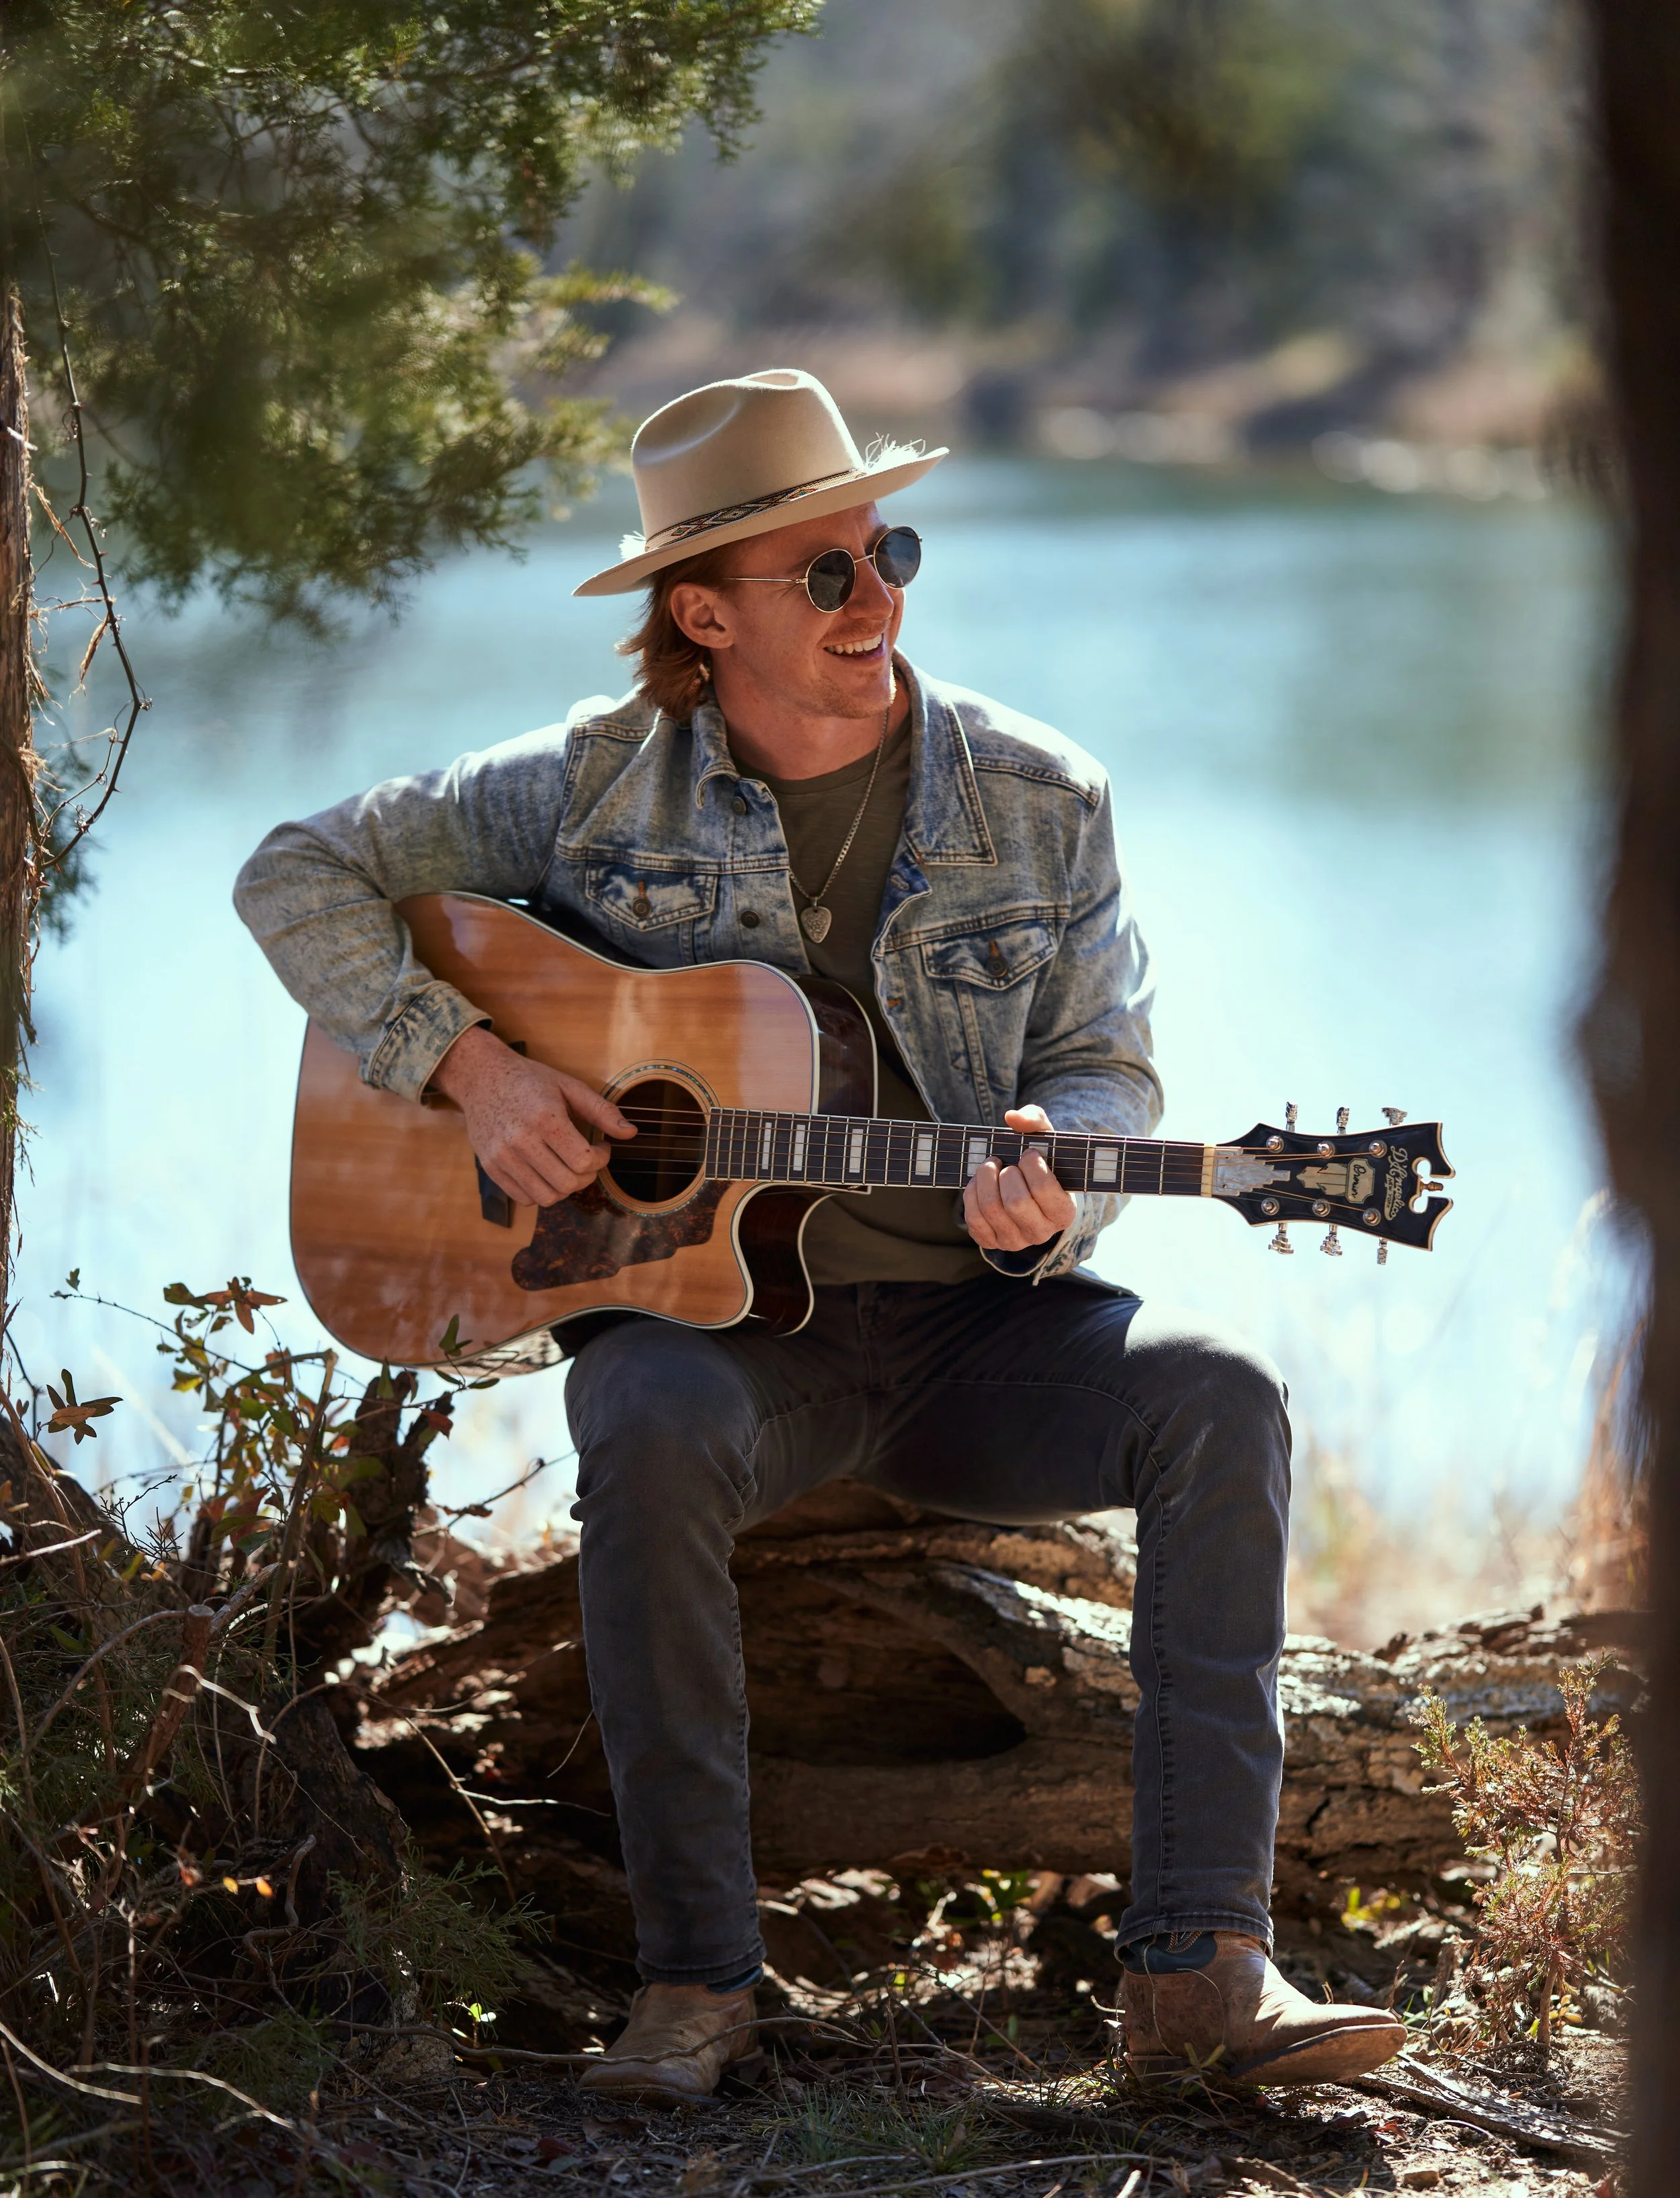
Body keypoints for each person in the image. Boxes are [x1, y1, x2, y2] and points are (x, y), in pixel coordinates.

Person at [235, 368, 1405, 2103]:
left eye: (890, 552)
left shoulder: (1034, 792)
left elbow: (1099, 1066)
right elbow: (292, 871)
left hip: (972, 1335)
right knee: (634, 1419)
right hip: (717, 1337)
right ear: (702, 611)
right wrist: (476, 1073)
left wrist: (1060, 1172)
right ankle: (695, 1981)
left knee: (1215, 1392)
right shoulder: (580, 782)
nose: (882, 602)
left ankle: (1198, 1974)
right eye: (829, 574)